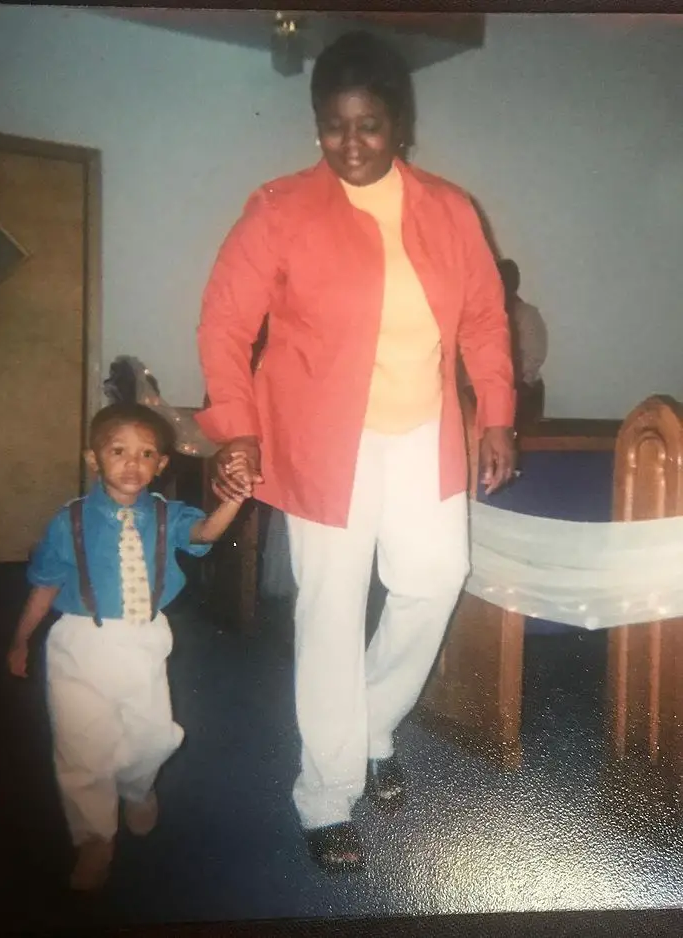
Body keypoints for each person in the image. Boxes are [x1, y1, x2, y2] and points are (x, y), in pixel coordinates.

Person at [196, 31, 516, 872]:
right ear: (316, 126)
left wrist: (500, 414)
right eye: (334, 127)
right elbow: (225, 324)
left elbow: (484, 318)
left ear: (399, 124)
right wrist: (237, 423)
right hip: (322, 440)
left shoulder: (449, 210)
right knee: (331, 612)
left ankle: (372, 725)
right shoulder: (280, 208)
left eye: (369, 126)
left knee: (434, 578)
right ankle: (326, 793)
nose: (351, 144)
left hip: (423, 432)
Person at [7, 403, 249, 891]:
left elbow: (205, 533)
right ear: (94, 458)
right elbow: (46, 585)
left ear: (161, 464)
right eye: (118, 451)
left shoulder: (166, 514)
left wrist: (235, 500)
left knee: (152, 736)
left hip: (143, 640)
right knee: (80, 746)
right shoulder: (69, 521)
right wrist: (20, 639)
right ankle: (94, 838)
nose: (132, 464)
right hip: (79, 643)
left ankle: (137, 786)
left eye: (145, 454)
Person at [497, 258, 548, 424]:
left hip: (523, 394)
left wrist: (511, 383)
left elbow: (534, 356)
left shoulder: (527, 315)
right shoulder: (487, 316)